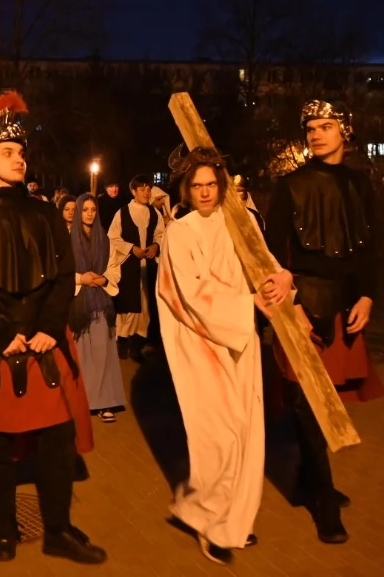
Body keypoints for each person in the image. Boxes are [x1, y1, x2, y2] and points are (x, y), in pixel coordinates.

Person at [0, 90, 105, 565]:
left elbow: (60, 275)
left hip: (44, 342)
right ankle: (7, 528)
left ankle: (58, 531)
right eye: (8, 152)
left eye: (21, 152)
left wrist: (51, 325)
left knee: (57, 443)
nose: (19, 159)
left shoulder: (45, 213)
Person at [156, 147, 295, 565]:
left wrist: (283, 278)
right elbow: (190, 296)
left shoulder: (244, 221)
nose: (203, 193)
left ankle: (234, 522)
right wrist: (246, 302)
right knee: (218, 436)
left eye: (210, 184)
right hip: (202, 347)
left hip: (242, 343)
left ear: (222, 185)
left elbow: (265, 264)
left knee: (248, 434)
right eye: (196, 186)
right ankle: (208, 520)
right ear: (186, 189)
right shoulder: (180, 234)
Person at [265, 99, 384, 544]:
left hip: (346, 306)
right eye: (310, 127)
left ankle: (306, 480)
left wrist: (369, 295)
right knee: (309, 405)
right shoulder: (289, 186)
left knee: (327, 400)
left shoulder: (361, 183)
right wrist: (291, 304)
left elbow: (370, 248)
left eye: (326, 125)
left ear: (344, 132)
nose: (317, 133)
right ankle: (323, 500)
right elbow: (272, 255)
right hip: (302, 307)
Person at [69, 193, 131, 424]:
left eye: (93, 210)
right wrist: (81, 279)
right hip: (78, 304)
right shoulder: (68, 240)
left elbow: (114, 268)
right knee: (82, 356)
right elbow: (61, 271)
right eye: (85, 210)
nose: (89, 214)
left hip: (101, 302)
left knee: (103, 354)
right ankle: (82, 402)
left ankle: (105, 403)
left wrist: (104, 280)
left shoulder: (104, 239)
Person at [109, 175, 165, 361]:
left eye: (148, 189)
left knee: (145, 305)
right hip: (129, 265)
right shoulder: (122, 213)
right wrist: (131, 248)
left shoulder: (154, 213)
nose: (146, 192)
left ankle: (137, 343)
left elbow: (161, 234)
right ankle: (122, 341)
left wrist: (156, 246)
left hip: (147, 266)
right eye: (142, 189)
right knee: (129, 305)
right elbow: (113, 238)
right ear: (134, 191)